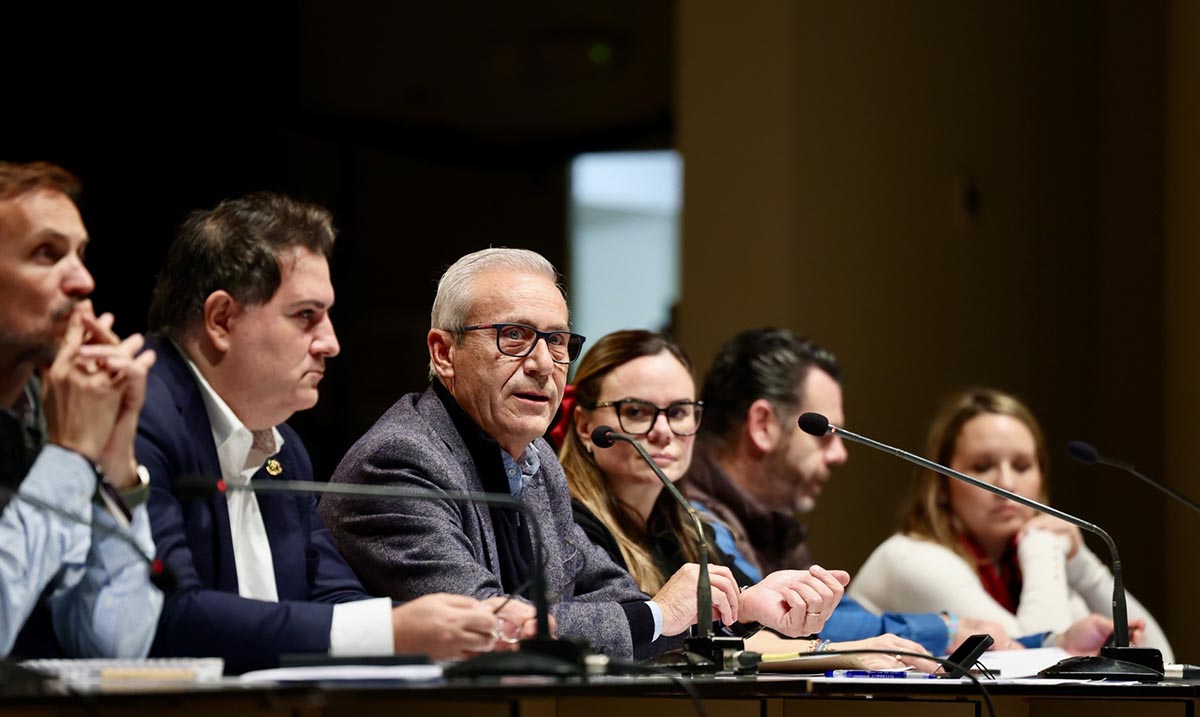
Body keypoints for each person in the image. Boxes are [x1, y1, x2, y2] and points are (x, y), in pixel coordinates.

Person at [321, 248, 848, 659]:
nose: (542, 364)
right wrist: (662, 615)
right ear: (444, 352)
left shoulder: (534, 461)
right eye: (513, 337)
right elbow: (489, 625)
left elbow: (603, 592)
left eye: (556, 342)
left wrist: (740, 606)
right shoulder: (398, 461)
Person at [137, 193, 508, 673]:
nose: (330, 343)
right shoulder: (141, 414)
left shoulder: (282, 446)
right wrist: (393, 632)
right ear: (222, 319)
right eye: (305, 316)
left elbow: (331, 592)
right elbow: (168, 618)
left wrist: (456, 623)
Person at [562, 329, 934, 669]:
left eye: (678, 412)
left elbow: (746, 641)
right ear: (584, 425)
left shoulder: (692, 527)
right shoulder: (568, 525)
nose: (663, 432)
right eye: (636, 412)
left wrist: (841, 650)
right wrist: (838, 655)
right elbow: (647, 646)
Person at [682, 328, 1012, 654]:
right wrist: (944, 629)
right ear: (763, 425)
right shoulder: (690, 518)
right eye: (824, 433)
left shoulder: (769, 523)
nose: (840, 455)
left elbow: (834, 614)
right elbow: (782, 621)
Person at [850, 388, 1172, 659]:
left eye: (1021, 466)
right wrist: (1043, 548)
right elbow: (1034, 664)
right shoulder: (910, 559)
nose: (1006, 483)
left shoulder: (1017, 567)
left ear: (1041, 478)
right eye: (982, 466)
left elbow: (1158, 659)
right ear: (941, 484)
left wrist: (1083, 567)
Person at [0, 160, 162, 658]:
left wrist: (114, 460)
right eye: (47, 254)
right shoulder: (62, 439)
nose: (84, 282)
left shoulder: (47, 414)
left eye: (81, 254)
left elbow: (117, 648)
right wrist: (69, 457)